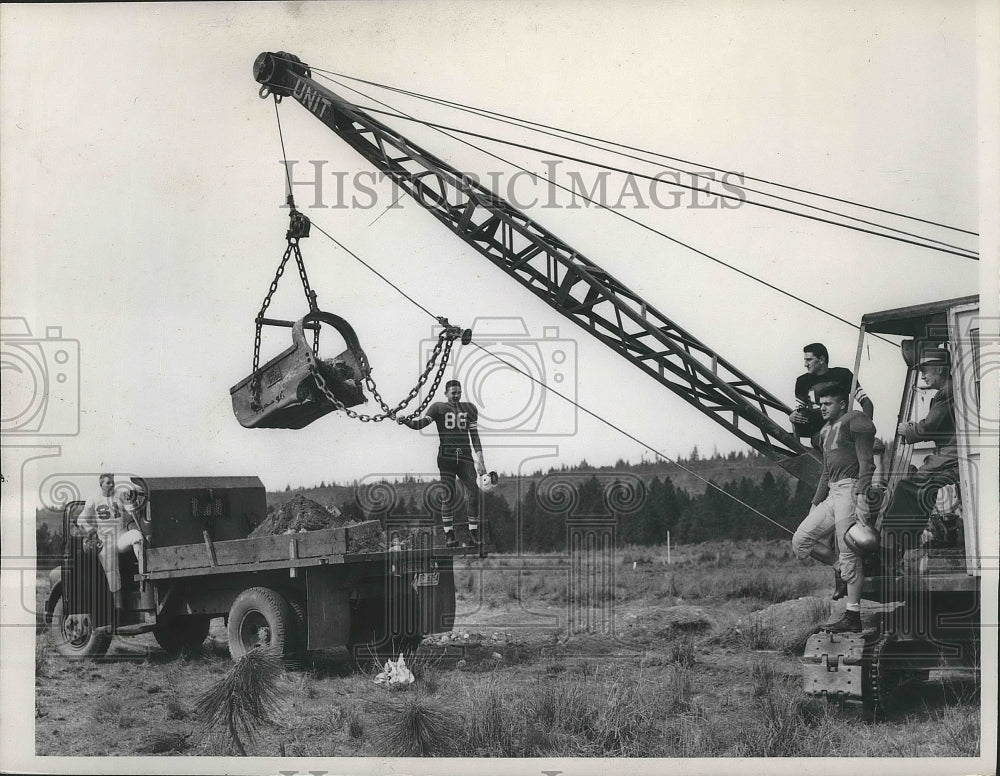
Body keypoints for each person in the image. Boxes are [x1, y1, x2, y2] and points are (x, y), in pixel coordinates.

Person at [788, 343, 874, 600]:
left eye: (809, 359)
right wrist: (815, 503)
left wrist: (862, 424)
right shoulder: (804, 387)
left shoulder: (851, 409)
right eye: (820, 403)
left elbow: (867, 464)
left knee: (849, 549)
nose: (805, 364)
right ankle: (842, 572)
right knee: (801, 540)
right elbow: (825, 470)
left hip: (848, 485)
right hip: (827, 457)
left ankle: (852, 608)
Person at [881, 348, 958, 558]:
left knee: (906, 487)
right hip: (949, 457)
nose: (923, 375)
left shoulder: (947, 391)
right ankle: (909, 541)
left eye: (926, 370)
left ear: (941, 370)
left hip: (949, 458)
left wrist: (910, 431)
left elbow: (931, 426)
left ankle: (894, 545)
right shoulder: (949, 391)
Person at [398, 380, 487, 547]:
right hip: (446, 458)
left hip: (465, 457)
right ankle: (449, 534)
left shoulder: (469, 409)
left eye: (458, 392)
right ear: (446, 393)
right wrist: (406, 421)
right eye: (453, 392)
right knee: (449, 495)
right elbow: (420, 424)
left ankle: (473, 533)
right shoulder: (438, 407)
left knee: (474, 492)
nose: (456, 395)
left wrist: (481, 460)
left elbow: (475, 436)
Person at [76, 473, 145, 593]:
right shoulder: (93, 499)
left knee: (136, 536)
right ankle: (119, 609)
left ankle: (143, 571)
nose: (112, 484)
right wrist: (91, 533)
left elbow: (135, 514)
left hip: (120, 536)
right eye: (108, 482)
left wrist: (131, 500)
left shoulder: (120, 494)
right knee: (113, 577)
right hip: (105, 541)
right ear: (101, 484)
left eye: (113, 481)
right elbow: (80, 520)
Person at [789, 342, 873, 440]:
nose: (805, 364)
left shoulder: (843, 375)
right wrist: (793, 416)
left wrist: (866, 426)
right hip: (819, 434)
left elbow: (866, 402)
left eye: (809, 360)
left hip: (841, 430)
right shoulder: (802, 381)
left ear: (821, 359)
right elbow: (800, 411)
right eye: (805, 360)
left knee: (874, 446)